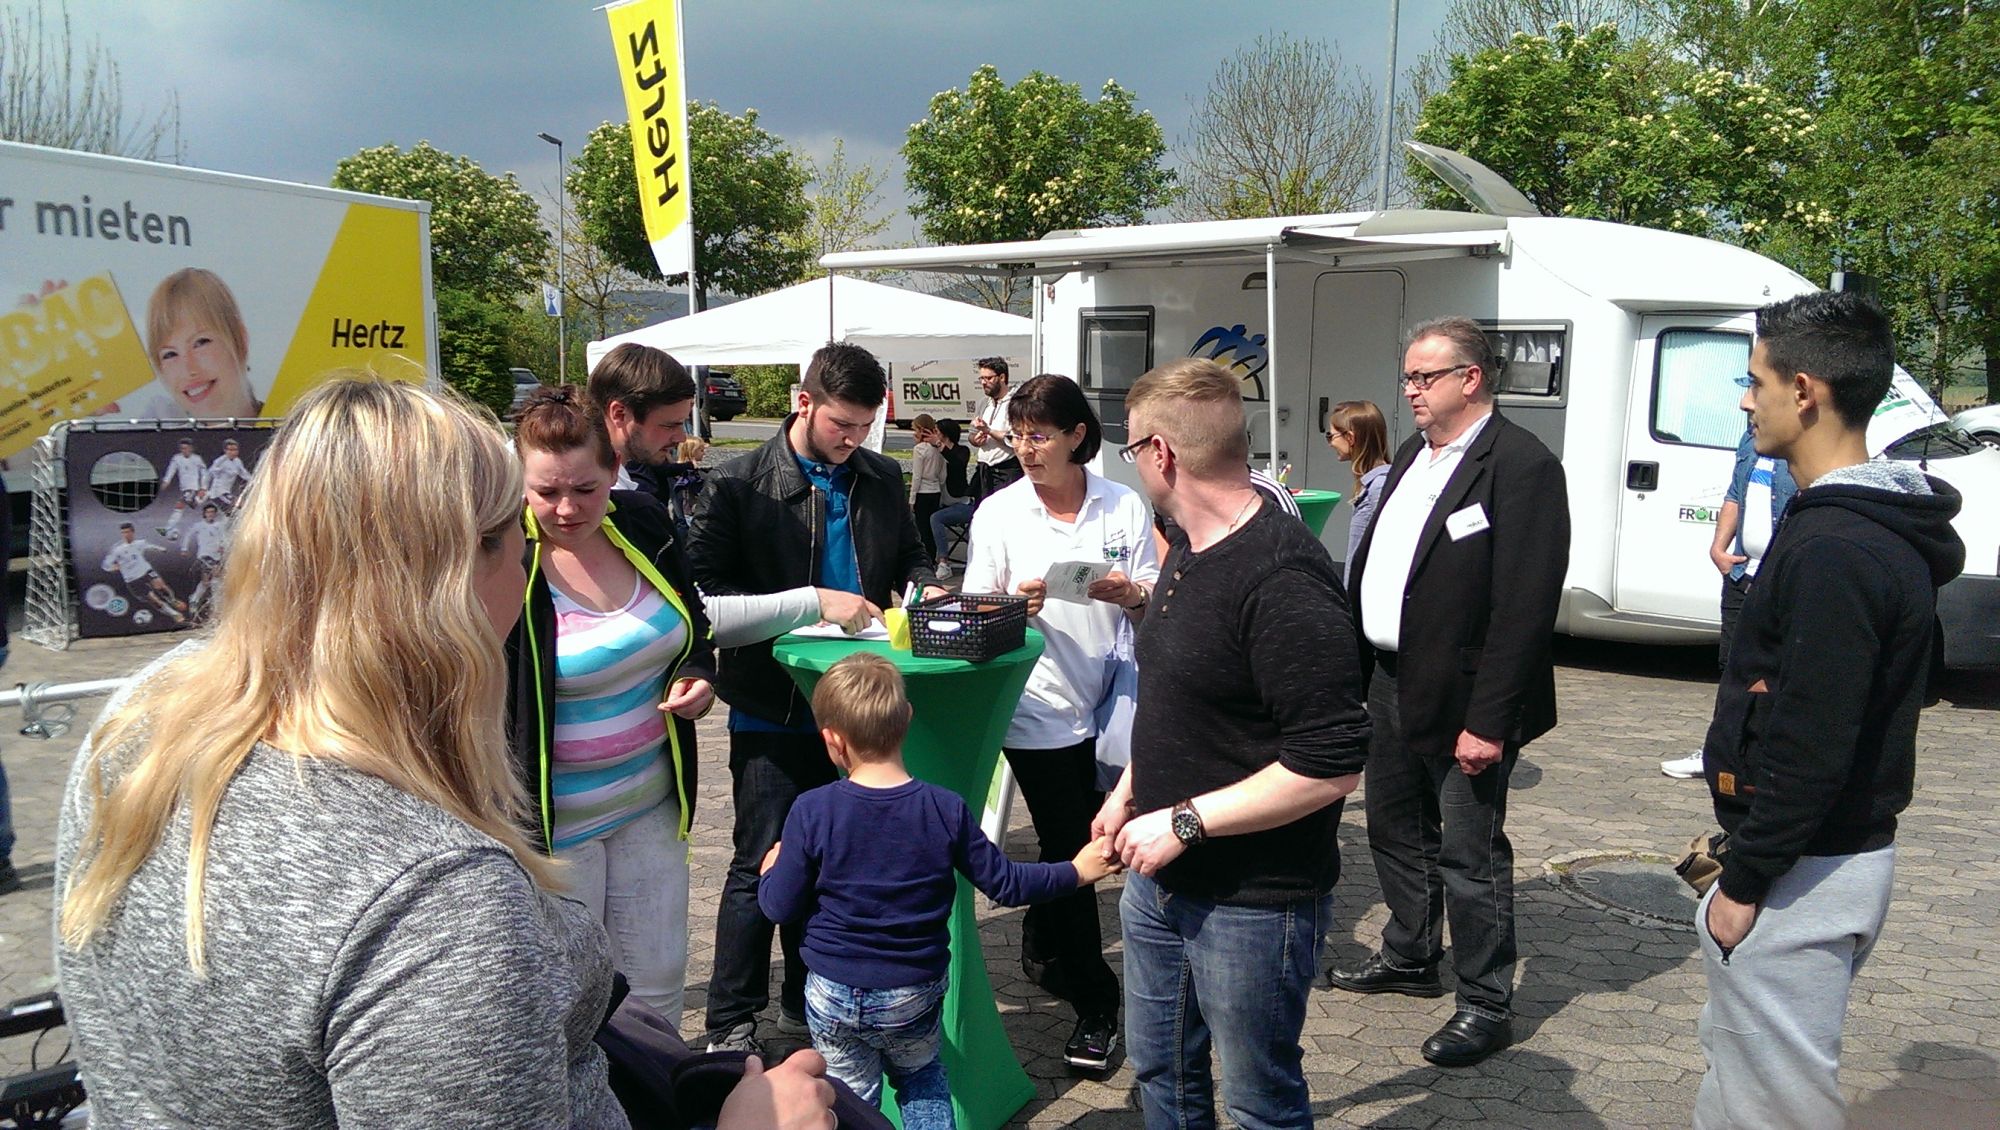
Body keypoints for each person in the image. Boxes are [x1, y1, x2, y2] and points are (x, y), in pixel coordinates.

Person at [53, 378, 840, 1129]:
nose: (542, 546)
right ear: (461, 574)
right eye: (517, 535)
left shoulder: (135, 727)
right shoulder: (443, 904)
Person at [1693, 291, 1962, 1130]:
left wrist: (1744, 879)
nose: (1744, 400)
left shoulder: (1836, 548)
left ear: (1803, 391)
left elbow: (1816, 739)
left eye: (1753, 380)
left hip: (1804, 873)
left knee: (1776, 1105)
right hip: (1816, 862)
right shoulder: (1853, 529)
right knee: (1745, 1085)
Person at [1092, 357, 1370, 1128]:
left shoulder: (1282, 576)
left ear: (1160, 454)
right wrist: (1128, 793)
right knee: (1162, 1075)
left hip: (1254, 902)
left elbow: (1333, 762)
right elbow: (1184, 698)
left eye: (1129, 450)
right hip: (1159, 881)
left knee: (1258, 1101)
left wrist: (1183, 821)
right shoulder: (1185, 548)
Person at [1329, 316, 1571, 1068]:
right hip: (1388, 679)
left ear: (1471, 379)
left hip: (1466, 698)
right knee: (1395, 830)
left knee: (1469, 853)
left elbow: (1525, 608)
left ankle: (1486, 1001)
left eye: (1422, 378)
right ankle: (1409, 954)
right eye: (1406, 378)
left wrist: (1490, 721)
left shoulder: (1521, 465)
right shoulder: (1414, 453)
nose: (1409, 392)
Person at [688, 342, 938, 1054]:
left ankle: (806, 1003)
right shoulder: (738, 484)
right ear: (804, 403)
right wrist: (807, 605)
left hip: (860, 703)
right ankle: (732, 1020)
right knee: (758, 858)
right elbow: (702, 598)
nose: (855, 439)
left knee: (833, 861)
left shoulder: (882, 476)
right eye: (842, 425)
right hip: (775, 703)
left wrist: (927, 588)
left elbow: (911, 556)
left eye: (865, 426)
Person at [759, 653, 1119, 1129]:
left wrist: (771, 869)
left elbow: (779, 905)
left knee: (850, 1100)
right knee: (922, 1078)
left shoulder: (811, 809)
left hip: (835, 990)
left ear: (831, 740)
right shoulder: (944, 808)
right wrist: (1076, 870)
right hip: (913, 988)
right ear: (906, 720)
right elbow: (1007, 884)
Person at [960, 374, 1159, 1072]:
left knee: (1064, 837)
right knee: (1077, 843)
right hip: (1035, 708)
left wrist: (1125, 590)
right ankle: (1097, 1004)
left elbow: (1157, 596)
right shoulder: (1001, 513)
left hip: (1112, 701)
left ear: (1078, 436)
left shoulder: (1122, 504)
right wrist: (1014, 610)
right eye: (1017, 434)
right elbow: (972, 616)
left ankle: (1045, 945)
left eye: (1039, 434)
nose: (1024, 448)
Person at [506, 384, 717, 1029]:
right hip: (555, 826)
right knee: (575, 1008)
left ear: (613, 473)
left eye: (586, 489)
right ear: (520, 479)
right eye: (546, 492)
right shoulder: (501, 554)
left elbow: (695, 620)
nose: (567, 509)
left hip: (649, 804)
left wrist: (701, 674)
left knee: (656, 989)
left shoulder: (643, 522)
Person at [1662, 425, 1797, 778]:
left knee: (1773, 670)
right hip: (1740, 573)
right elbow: (1735, 495)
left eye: (1756, 390)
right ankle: (1720, 752)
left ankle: (1763, 756)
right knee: (1732, 666)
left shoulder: (1797, 444)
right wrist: (1719, 547)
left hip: (1778, 577)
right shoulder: (1749, 441)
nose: (1747, 404)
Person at [146, 268, 262, 419]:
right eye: (170, 354)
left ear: (240, 339)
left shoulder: (296, 431)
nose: (189, 370)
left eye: (200, 343)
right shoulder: (149, 439)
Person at [589, 342, 697, 496]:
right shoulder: (596, 496)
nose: (681, 438)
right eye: (669, 425)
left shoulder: (609, 483)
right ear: (619, 414)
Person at [1326, 399, 1392, 589]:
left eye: (1331, 436)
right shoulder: (1374, 483)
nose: (1330, 443)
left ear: (1350, 438)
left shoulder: (1379, 486)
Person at [102, 522, 187, 626]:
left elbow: (149, 546)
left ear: (132, 532)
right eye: (123, 532)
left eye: (127, 532)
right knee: (155, 600)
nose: (125, 534)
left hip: (145, 571)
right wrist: (114, 567)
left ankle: (172, 600)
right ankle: (175, 615)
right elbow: (106, 565)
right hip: (132, 579)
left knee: (161, 586)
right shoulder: (117, 549)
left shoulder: (139, 543)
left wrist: (160, 549)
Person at [965, 357, 1021, 501]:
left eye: (988, 378)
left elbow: (1016, 439)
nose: (984, 382)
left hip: (1006, 470)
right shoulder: (984, 403)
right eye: (981, 378)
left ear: (1002, 377)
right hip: (984, 469)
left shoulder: (1015, 404)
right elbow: (971, 435)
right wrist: (976, 440)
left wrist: (988, 430)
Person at [924, 418, 973, 578]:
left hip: (962, 503)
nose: (934, 435)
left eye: (937, 432)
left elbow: (957, 462)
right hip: (941, 500)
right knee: (922, 514)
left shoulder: (962, 451)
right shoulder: (934, 450)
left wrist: (939, 445)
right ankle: (926, 558)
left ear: (945, 435)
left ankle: (944, 563)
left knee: (935, 518)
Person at [180, 501, 229, 621]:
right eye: (208, 512)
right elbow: (187, 535)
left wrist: (224, 546)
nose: (210, 514)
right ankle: (216, 608)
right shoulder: (199, 525)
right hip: (204, 555)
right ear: (204, 513)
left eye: (212, 512)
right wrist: (184, 548)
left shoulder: (219, 525)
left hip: (217, 556)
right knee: (216, 576)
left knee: (208, 581)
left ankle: (195, 599)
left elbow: (224, 538)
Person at [909, 413, 945, 560]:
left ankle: (925, 557)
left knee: (922, 528)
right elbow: (943, 474)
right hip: (935, 490)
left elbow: (916, 476)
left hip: (922, 491)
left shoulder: (919, 449)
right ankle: (934, 555)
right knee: (931, 527)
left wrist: (912, 498)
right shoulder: (938, 448)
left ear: (920, 430)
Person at [157, 437, 206, 538]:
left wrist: (203, 487)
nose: (184, 450)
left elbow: (204, 473)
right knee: (183, 507)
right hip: (184, 488)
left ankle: (167, 529)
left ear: (191, 448)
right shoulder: (177, 458)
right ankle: (168, 528)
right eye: (182, 448)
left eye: (186, 448)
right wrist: (166, 481)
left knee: (180, 505)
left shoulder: (197, 459)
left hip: (193, 488)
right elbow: (171, 470)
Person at [203, 437, 253, 512]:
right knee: (239, 504)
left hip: (227, 492)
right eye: (230, 450)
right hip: (218, 494)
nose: (233, 452)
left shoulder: (237, 461)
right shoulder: (220, 462)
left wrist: (255, 481)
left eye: (235, 450)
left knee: (234, 511)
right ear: (225, 450)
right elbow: (209, 474)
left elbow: (244, 473)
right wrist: (204, 488)